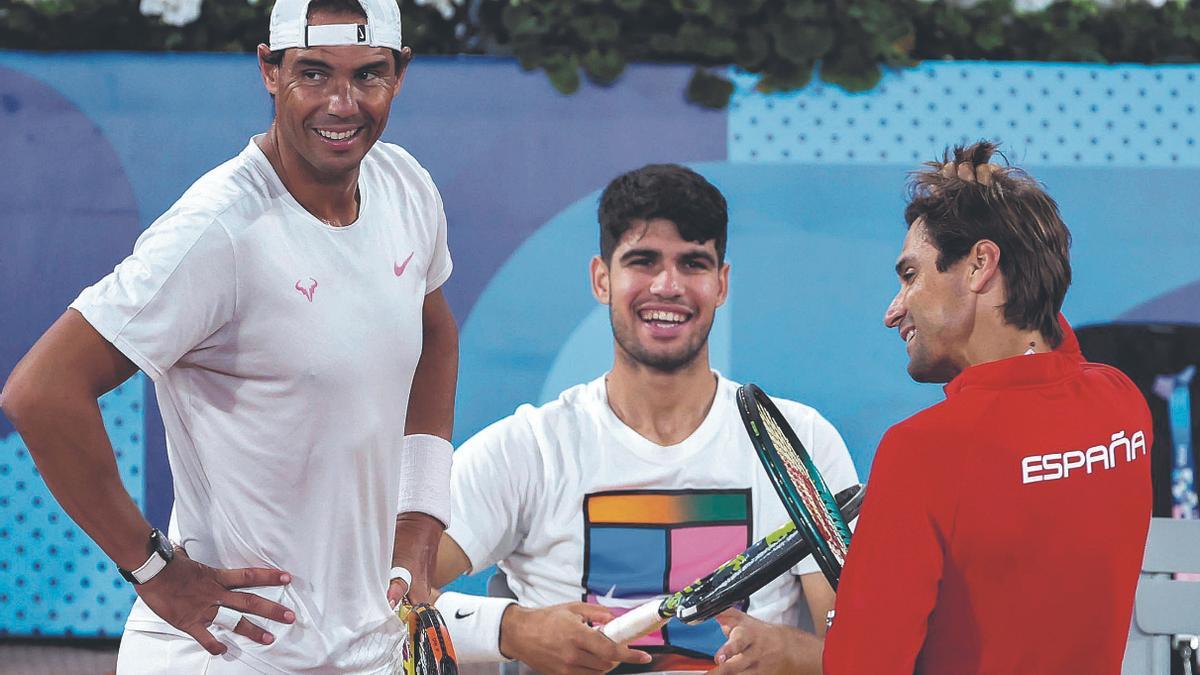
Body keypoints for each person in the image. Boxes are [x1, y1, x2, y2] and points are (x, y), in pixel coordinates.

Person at [0, 0, 458, 671]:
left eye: (368, 75)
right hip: (231, 652)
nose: (342, 103)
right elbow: (41, 391)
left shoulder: (405, 185)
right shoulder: (216, 231)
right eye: (312, 73)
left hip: (364, 646)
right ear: (268, 70)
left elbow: (434, 334)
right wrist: (155, 570)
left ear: (401, 73)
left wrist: (419, 519)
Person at [430, 164, 859, 674]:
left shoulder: (798, 442)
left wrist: (795, 656)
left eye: (693, 264)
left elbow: (867, 647)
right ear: (601, 279)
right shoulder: (529, 450)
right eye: (642, 260)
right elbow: (381, 598)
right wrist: (511, 630)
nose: (667, 285)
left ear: (721, 284)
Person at [822, 142, 1153, 674]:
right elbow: (1051, 359)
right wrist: (1011, 232)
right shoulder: (1122, 405)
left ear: (979, 265)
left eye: (910, 276)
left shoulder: (924, 451)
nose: (893, 311)